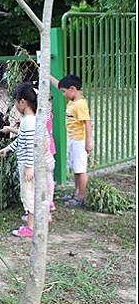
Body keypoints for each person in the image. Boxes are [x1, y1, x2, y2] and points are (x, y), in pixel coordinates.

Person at [0, 83, 55, 237]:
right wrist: (8, 148)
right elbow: (22, 140)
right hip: (35, 164)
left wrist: (29, 166)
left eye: (16, 101)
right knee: (34, 192)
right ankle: (37, 219)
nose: (16, 105)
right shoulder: (34, 119)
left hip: (29, 165)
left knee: (28, 194)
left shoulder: (28, 122)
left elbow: (31, 146)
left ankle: (30, 227)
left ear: (22, 102)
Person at [49, 74, 93, 207]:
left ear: (72, 89)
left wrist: (88, 142)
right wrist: (48, 75)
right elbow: (59, 85)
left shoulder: (80, 104)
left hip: (80, 141)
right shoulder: (73, 99)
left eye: (64, 92)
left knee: (81, 170)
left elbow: (87, 123)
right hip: (73, 140)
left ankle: (81, 197)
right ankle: (76, 192)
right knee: (75, 169)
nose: (62, 94)